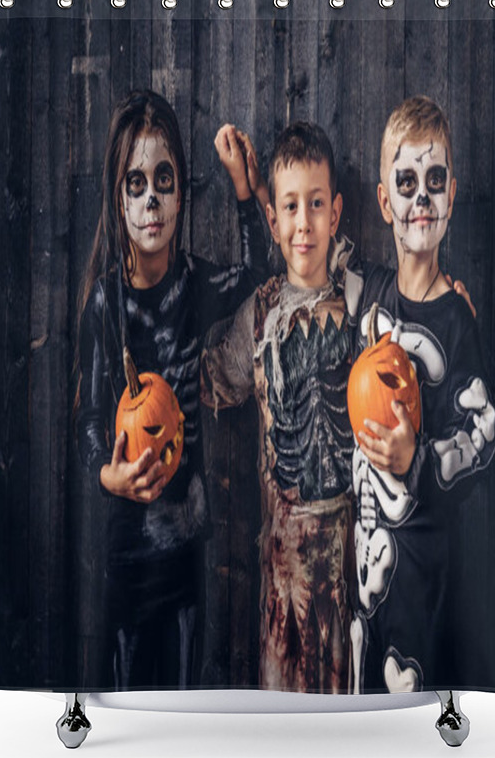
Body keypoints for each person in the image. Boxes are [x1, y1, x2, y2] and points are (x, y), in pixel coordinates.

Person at [75, 89, 267, 690]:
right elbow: (87, 422)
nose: (152, 199)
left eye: (165, 179)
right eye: (137, 183)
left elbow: (259, 271)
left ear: (182, 192)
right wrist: (108, 477)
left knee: (184, 701)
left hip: (187, 548)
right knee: (128, 701)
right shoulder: (106, 303)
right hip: (128, 555)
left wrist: (244, 190)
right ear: (119, 195)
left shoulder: (196, 286)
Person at [346, 95, 495, 693]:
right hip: (366, 566)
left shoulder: (458, 321)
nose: (421, 200)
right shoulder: (372, 296)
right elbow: (306, 265)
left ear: (452, 195)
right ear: (385, 201)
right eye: (406, 183)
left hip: (426, 574)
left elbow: (482, 445)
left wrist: (419, 459)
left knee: (411, 701)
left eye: (435, 182)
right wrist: (255, 197)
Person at [200, 122, 355, 693]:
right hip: (280, 585)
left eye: (316, 205)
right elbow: (216, 378)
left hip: (349, 582)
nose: (304, 223)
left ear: (335, 213)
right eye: (291, 207)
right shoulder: (261, 313)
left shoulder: (359, 300)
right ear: (275, 219)